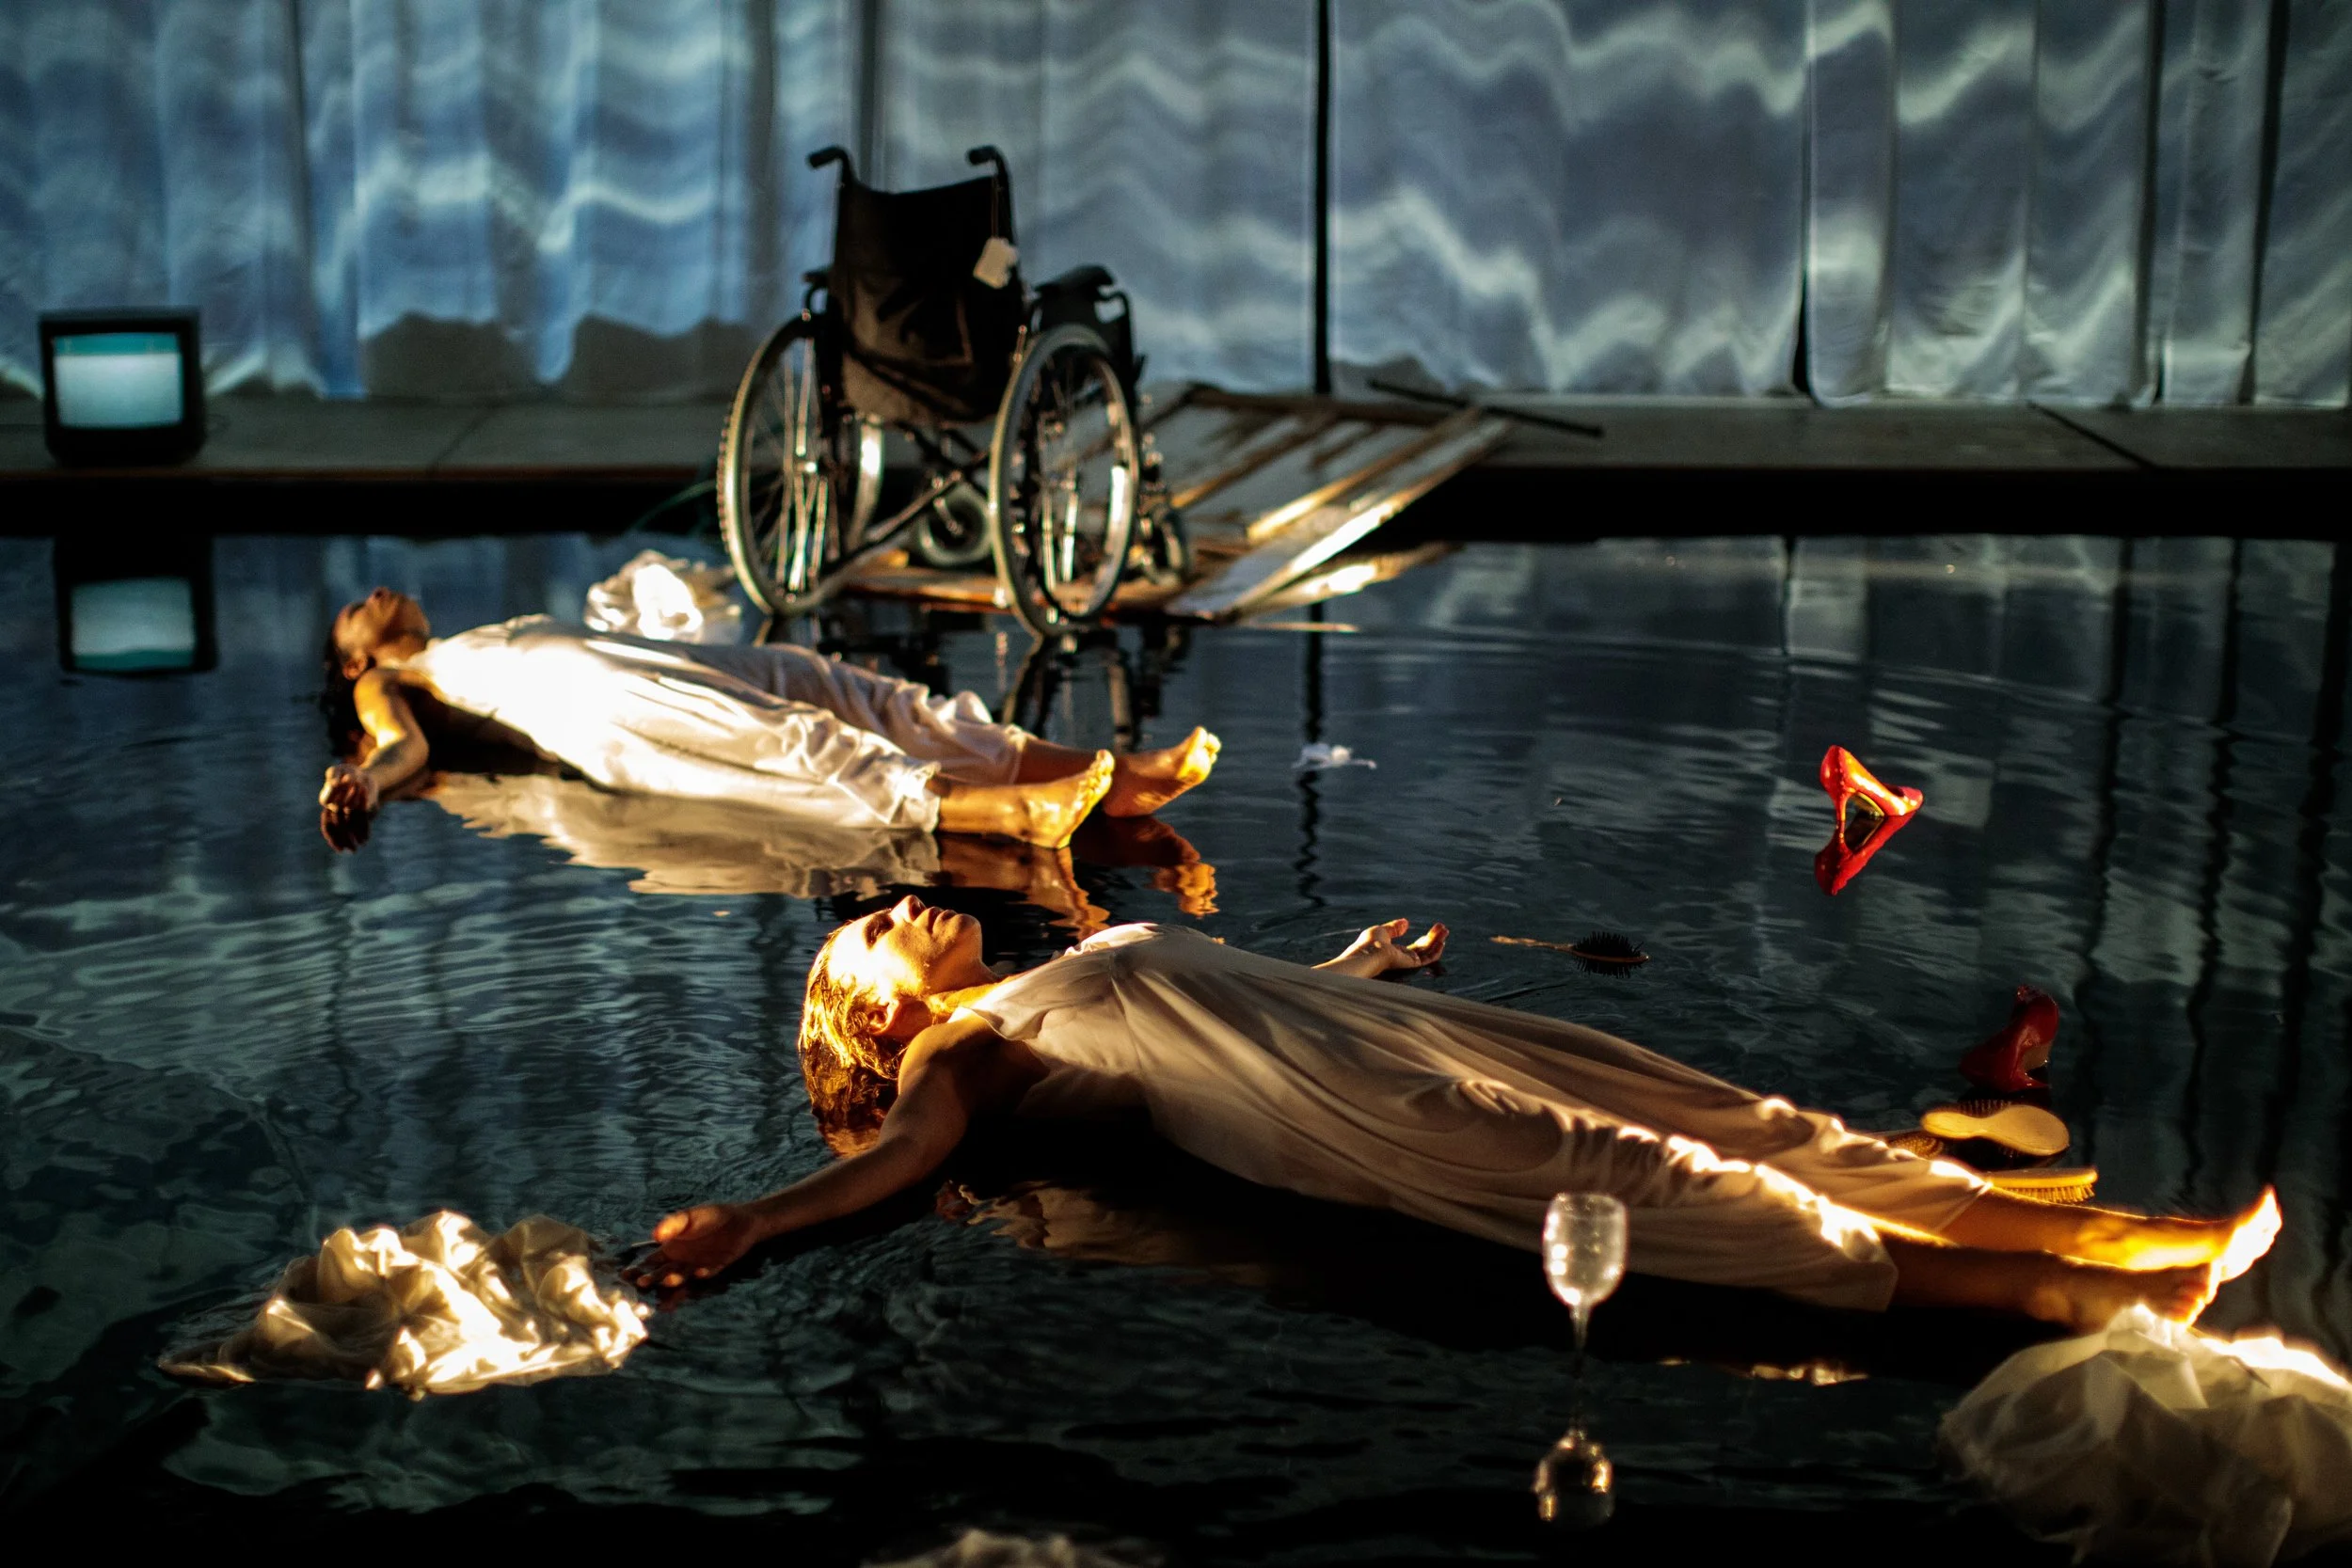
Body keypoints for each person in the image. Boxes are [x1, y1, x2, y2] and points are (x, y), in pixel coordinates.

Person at [631, 900, 2281, 1334]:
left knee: (1756, 1123)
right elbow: (912, 1164)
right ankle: (2095, 1294)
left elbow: (1217, 1001)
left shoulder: (1057, 972)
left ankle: (2115, 1229)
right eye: (872, 930)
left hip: (1407, 1024)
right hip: (1378, 1116)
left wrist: (1346, 960)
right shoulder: (957, 1061)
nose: (898, 910)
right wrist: (755, 1220)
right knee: (1694, 1197)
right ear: (870, 1007)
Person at [316, 589, 1219, 850]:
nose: (374, 593)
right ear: (356, 657)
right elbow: (405, 746)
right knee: (790, 742)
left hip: (628, 663)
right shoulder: (386, 685)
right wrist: (367, 778)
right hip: (592, 704)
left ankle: (1099, 770)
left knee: (825, 683)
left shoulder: (470, 630)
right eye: (355, 608)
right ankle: (1004, 810)